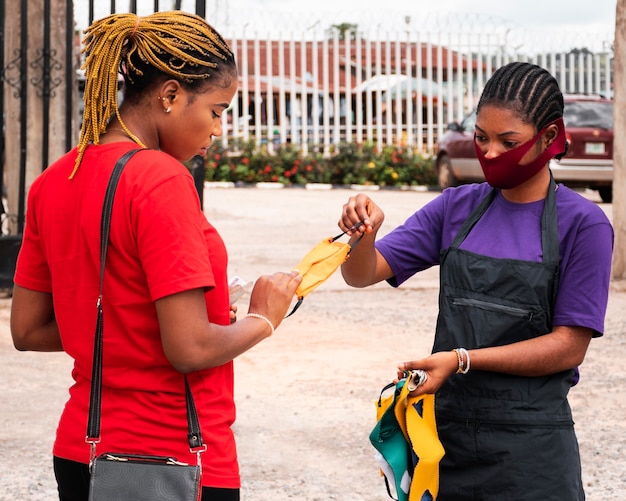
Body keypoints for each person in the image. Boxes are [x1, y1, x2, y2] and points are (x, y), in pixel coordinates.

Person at [10, 11, 301, 501]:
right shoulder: (160, 179)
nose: (217, 130)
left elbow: (29, 330)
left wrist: (161, 319)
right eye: (216, 110)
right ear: (170, 96)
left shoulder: (53, 180)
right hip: (170, 458)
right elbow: (188, 349)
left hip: (81, 450)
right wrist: (261, 318)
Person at [338, 61, 613, 500]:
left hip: (533, 451)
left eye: (508, 142)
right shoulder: (455, 208)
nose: (488, 153)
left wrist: (462, 359)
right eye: (481, 137)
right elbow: (361, 275)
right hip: (445, 444)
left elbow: (568, 346)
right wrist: (362, 237)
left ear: (548, 138)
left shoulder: (584, 225)